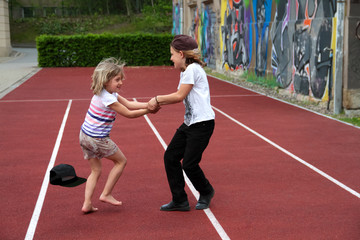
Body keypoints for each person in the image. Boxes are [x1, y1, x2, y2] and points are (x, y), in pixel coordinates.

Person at [80, 57, 159, 214]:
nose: (121, 82)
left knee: (95, 170)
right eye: (117, 79)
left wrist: (149, 103)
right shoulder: (108, 98)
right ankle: (106, 193)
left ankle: (87, 203)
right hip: (98, 138)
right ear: (106, 80)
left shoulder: (105, 92)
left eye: (121, 79)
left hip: (84, 136)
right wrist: (149, 110)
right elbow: (129, 113)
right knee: (121, 161)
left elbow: (129, 104)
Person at [148, 35, 215, 211]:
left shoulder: (193, 69)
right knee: (170, 157)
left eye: (172, 54)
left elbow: (179, 96)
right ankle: (180, 200)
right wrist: (157, 104)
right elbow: (179, 95)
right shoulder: (186, 71)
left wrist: (156, 99)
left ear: (181, 53)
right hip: (190, 123)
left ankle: (206, 191)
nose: (170, 58)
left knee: (189, 164)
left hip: (202, 124)